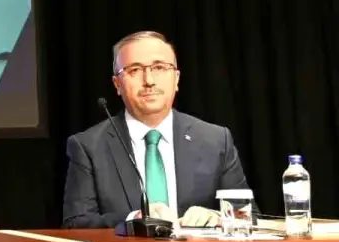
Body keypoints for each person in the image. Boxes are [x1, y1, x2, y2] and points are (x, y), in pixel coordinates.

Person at [62, 30, 249, 228]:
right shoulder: (88, 146)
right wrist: (133, 219)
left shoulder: (216, 140)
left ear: (176, 79)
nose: (149, 80)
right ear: (117, 84)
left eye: (159, 67)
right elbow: (76, 224)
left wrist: (219, 218)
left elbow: (248, 216)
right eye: (135, 70)